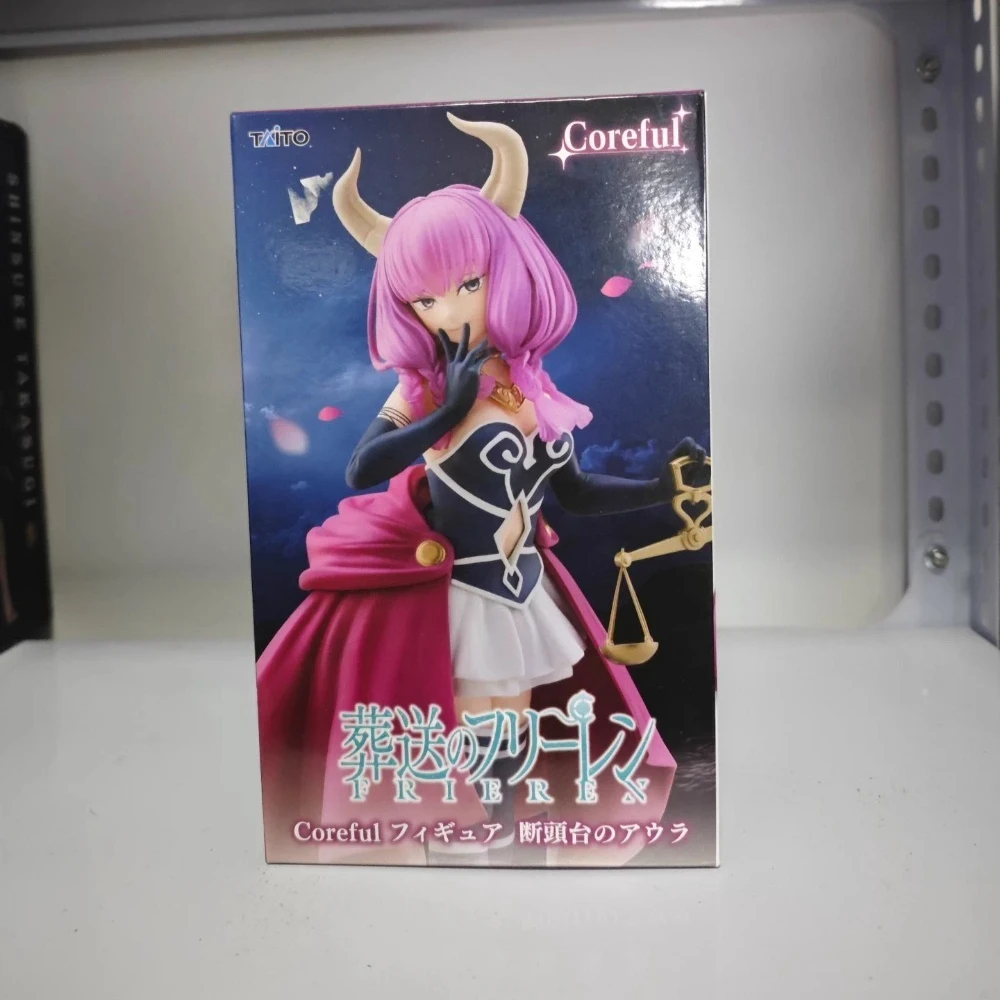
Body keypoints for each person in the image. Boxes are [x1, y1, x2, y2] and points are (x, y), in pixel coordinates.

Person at [256, 114, 708, 866]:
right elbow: (363, 467)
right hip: (457, 586)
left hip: (522, 583)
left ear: (509, 270)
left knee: (514, 713)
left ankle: (496, 827)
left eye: (468, 284)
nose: (448, 309)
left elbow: (575, 492)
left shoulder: (536, 386)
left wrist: (662, 486)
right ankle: (461, 833)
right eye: (425, 300)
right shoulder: (423, 387)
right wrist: (448, 410)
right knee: (470, 711)